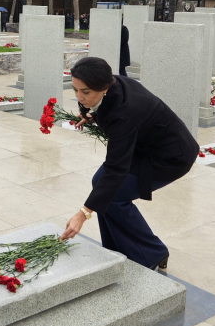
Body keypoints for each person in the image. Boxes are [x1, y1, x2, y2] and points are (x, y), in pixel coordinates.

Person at [60, 57, 199, 270]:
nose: (79, 97)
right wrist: (92, 116)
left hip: (170, 156)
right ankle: (116, 249)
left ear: (104, 86)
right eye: (75, 90)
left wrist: (84, 213)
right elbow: (106, 108)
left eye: (85, 92)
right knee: (101, 184)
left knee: (113, 195)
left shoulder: (124, 114)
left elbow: (116, 168)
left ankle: (153, 253)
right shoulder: (113, 84)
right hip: (146, 145)